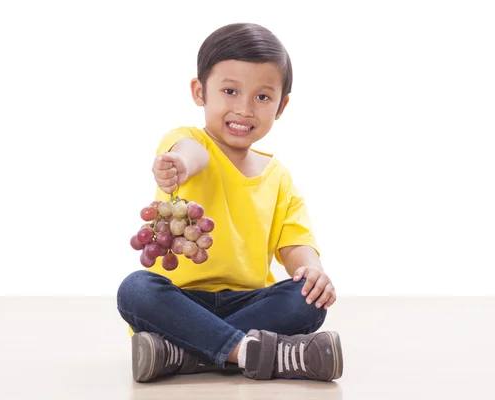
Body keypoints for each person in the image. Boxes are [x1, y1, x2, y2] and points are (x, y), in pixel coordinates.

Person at [117, 22, 343, 383]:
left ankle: (182, 354)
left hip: (251, 301)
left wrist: (313, 272)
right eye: (229, 91)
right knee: (137, 289)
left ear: (281, 106)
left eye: (262, 97)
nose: (245, 108)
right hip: (181, 302)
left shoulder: (279, 177)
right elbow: (192, 156)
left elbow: (297, 245)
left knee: (305, 298)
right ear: (199, 91)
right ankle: (257, 353)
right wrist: (180, 166)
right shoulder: (187, 142)